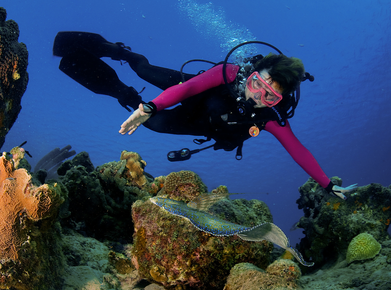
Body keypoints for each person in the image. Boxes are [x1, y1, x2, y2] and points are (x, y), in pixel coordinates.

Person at [53, 31, 357, 199]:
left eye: (270, 96)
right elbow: (190, 88)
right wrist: (153, 105)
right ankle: (119, 52)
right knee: (145, 72)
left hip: (198, 122)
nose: (258, 96)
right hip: (191, 91)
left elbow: (298, 149)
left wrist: (327, 184)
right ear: (251, 74)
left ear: (279, 100)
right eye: (257, 85)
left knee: (155, 124)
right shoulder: (229, 72)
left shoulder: (269, 118)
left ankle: (124, 93)